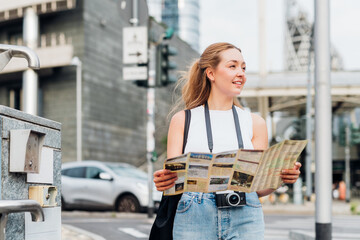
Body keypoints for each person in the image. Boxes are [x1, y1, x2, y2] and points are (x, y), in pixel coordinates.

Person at [153, 42, 301, 240]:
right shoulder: (183, 120)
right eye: (232, 66)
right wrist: (164, 180)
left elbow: (258, 189)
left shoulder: (255, 123)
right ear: (211, 74)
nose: (241, 73)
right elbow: (174, 182)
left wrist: (281, 177)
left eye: (243, 67)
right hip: (195, 213)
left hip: (246, 213)